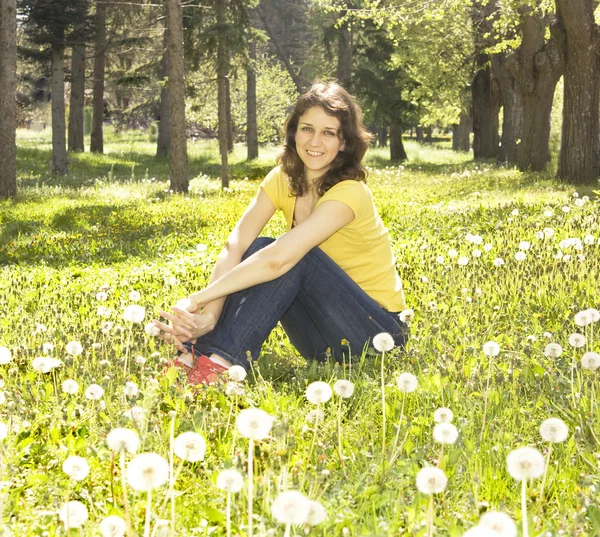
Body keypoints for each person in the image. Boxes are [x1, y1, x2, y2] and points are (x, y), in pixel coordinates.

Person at [153, 81, 409, 385]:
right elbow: (234, 244)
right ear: (294, 132)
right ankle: (200, 352)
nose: (315, 141)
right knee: (260, 246)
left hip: (376, 333)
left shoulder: (351, 194)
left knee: (291, 255)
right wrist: (209, 314)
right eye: (307, 129)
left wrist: (196, 299)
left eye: (329, 133)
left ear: (344, 142)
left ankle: (219, 365)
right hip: (320, 339)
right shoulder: (283, 178)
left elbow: (279, 261)